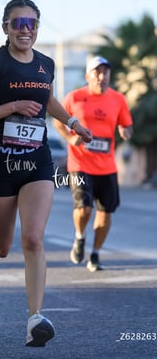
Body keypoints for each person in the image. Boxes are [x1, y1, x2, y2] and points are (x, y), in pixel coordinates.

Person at [0, 0, 92, 347]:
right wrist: (13, 106)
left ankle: (35, 318)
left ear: (38, 28)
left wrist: (72, 122)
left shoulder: (45, 64)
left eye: (32, 23)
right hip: (2, 162)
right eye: (18, 22)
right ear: (5, 27)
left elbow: (48, 98)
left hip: (37, 159)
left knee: (33, 238)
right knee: (3, 246)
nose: (26, 29)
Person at [53, 55, 133, 272]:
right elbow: (57, 120)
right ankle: (80, 237)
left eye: (105, 72)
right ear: (88, 76)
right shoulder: (75, 97)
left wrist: (125, 131)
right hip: (80, 163)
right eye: (97, 72)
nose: (101, 76)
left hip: (107, 167)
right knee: (84, 208)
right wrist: (70, 138)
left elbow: (127, 125)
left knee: (105, 214)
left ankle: (95, 254)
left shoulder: (118, 99)